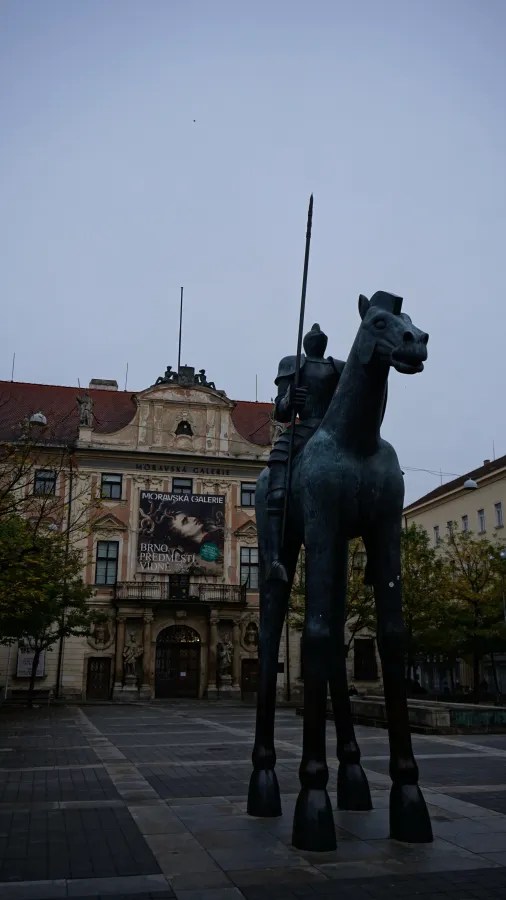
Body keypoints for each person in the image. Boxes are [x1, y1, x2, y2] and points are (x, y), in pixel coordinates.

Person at [266, 323, 345, 581]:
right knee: (278, 459)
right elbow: (280, 409)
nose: (317, 338)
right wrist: (290, 400)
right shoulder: (292, 364)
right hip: (305, 426)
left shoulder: (339, 367)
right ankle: (276, 548)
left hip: (332, 428)